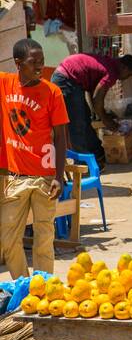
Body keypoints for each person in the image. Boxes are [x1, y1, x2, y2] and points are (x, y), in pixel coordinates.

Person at [0, 40, 69, 278]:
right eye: (34, 62)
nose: (40, 66)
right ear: (18, 64)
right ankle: (24, 287)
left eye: (42, 60)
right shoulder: (4, 84)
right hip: (15, 179)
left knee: (44, 239)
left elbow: (61, 137)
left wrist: (59, 177)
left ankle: (44, 291)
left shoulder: (52, 92)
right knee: (8, 240)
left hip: (45, 178)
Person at [51, 51, 132, 166]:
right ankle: (83, 164)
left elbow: (94, 94)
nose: (127, 78)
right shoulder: (112, 71)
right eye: (129, 74)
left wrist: (102, 115)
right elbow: (97, 97)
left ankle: (97, 154)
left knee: (85, 118)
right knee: (77, 124)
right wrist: (105, 119)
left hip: (69, 78)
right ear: (124, 67)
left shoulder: (110, 64)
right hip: (67, 79)